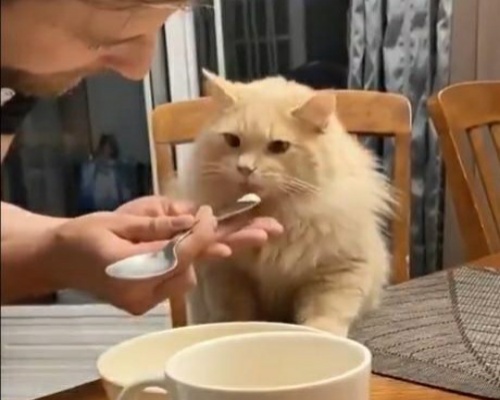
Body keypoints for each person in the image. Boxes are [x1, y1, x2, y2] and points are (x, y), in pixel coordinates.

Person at [0, 0, 284, 315]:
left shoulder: (14, 75)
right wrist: (54, 258)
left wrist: (62, 244)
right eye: (101, 35)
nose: (140, 68)